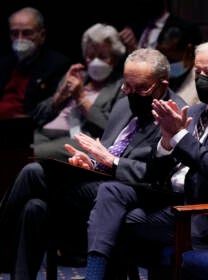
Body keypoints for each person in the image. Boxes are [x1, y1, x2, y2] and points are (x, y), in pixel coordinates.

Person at [84, 40, 208, 279]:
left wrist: (179, 136)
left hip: (200, 214)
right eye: (198, 72)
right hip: (170, 200)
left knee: (112, 223)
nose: (202, 79)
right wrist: (165, 144)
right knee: (111, 192)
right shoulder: (194, 112)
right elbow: (157, 171)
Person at [0, 48, 185, 280]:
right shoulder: (124, 104)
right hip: (100, 184)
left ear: (162, 84)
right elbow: (105, 153)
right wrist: (90, 163)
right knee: (34, 207)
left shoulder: (175, 114)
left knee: (34, 172)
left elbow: (156, 174)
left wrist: (111, 161)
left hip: (133, 194)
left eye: (140, 88)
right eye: (127, 86)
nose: (131, 93)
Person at [32, 23, 126, 161]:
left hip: (78, 139)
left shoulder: (121, 86)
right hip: (44, 133)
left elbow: (111, 128)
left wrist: (81, 98)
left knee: (27, 154)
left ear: (115, 58)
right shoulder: (77, 76)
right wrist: (59, 96)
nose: (95, 62)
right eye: (90, 56)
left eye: (102, 56)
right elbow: (37, 116)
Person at [0, 7, 71, 120]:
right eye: (14, 33)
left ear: (42, 35)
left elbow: (50, 110)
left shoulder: (57, 65)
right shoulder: (4, 63)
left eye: (27, 33)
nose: (20, 39)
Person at [156, 18, 202, 105]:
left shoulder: (201, 86)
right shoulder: (156, 79)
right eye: (161, 57)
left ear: (189, 51)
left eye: (170, 59)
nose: (166, 64)